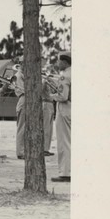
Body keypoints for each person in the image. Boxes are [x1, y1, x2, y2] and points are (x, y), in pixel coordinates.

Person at [50, 52, 71, 182]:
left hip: (64, 109)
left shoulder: (65, 76)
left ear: (65, 62)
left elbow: (62, 96)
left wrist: (51, 96)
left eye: (59, 62)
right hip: (73, 108)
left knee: (64, 141)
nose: (58, 64)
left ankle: (65, 173)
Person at [42, 65, 56, 157]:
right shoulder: (42, 81)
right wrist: (44, 81)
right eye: (44, 72)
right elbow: (40, 90)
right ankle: (43, 148)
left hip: (51, 104)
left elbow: (55, 90)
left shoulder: (49, 81)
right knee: (46, 127)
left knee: (50, 129)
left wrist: (51, 81)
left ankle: (47, 148)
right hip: (45, 103)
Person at [13, 58, 25, 160]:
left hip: (26, 100)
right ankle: (20, 152)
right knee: (22, 127)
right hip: (23, 99)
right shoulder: (18, 76)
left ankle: (24, 150)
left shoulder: (23, 75)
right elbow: (23, 90)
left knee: (25, 127)